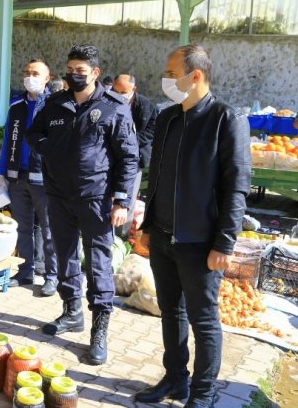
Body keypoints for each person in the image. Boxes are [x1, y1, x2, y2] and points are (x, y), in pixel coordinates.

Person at [134, 45, 251, 408]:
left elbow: (237, 186)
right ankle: (175, 379)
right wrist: (149, 224)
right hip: (165, 236)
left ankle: (203, 394)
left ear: (195, 75)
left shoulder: (225, 120)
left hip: (200, 242)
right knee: (171, 312)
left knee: (203, 321)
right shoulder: (168, 118)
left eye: (172, 72)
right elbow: (157, 178)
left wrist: (225, 243)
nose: (166, 79)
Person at [26, 44, 138, 365]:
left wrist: (121, 201)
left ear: (96, 73)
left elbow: (129, 158)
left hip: (97, 199)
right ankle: (72, 312)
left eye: (81, 71)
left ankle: (99, 329)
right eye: (70, 69)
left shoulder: (114, 107)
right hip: (59, 196)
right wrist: (49, 146)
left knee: (98, 262)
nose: (74, 75)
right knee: (65, 256)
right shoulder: (56, 103)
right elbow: (34, 134)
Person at [0, 59, 58, 296]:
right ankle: (25, 272)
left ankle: (51, 276)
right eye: (27, 72)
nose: (30, 76)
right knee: (23, 228)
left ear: (47, 78)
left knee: (49, 230)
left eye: (36, 73)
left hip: (44, 179)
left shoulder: (54, 106)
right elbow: (8, 139)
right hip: (17, 177)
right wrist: (0, 174)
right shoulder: (16, 106)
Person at [111, 73, 157, 236]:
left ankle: (121, 236)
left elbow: (152, 131)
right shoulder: (107, 101)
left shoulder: (146, 106)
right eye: (116, 92)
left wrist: (130, 141)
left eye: (123, 93)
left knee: (126, 198)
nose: (119, 96)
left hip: (134, 159)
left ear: (134, 89)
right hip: (110, 157)